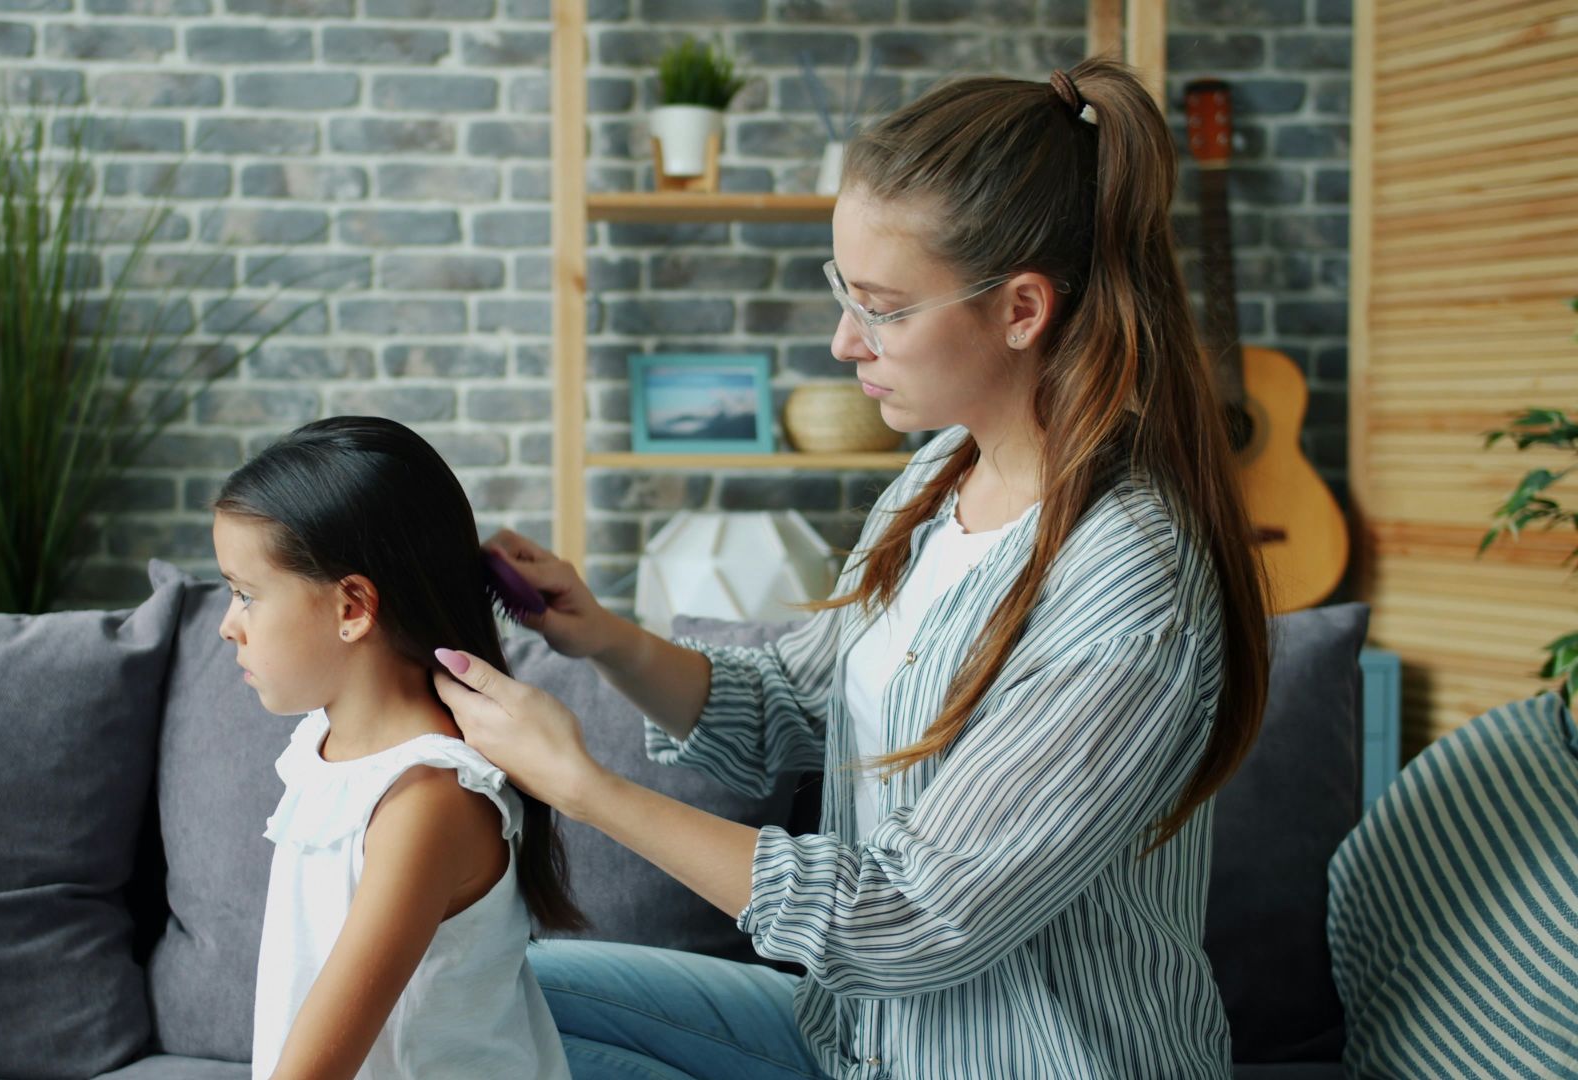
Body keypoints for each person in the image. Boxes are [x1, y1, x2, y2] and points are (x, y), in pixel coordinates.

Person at [429, 57, 1271, 1080]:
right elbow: (792, 700)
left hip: (1025, 1061)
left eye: (883, 308)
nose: (842, 341)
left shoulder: (1130, 589)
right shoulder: (939, 476)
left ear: (1021, 310)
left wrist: (582, 786)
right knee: (481, 991)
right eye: (845, 292)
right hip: (865, 1043)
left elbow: (909, 919)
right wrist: (604, 637)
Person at [210, 415, 581, 1080]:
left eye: (246, 594)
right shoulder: (324, 745)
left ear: (352, 607)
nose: (226, 625)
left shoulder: (426, 802)